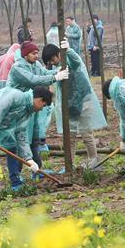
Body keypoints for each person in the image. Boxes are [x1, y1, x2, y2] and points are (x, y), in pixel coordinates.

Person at [42, 40, 108, 169]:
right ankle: (69, 164)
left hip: (83, 101)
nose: (51, 63)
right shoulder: (58, 69)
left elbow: (77, 62)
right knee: (70, 136)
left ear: (57, 54)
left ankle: (94, 160)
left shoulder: (70, 61)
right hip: (70, 104)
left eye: (51, 59)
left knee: (86, 133)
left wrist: (68, 50)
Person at [8, 41, 70, 172]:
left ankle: (38, 171)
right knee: (19, 140)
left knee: (34, 139)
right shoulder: (18, 68)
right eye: (33, 53)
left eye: (37, 53)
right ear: (25, 55)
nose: (37, 56)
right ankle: (16, 175)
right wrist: (55, 77)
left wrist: (57, 71)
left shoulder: (35, 64)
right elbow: (33, 80)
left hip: (32, 105)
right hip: (18, 108)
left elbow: (43, 73)